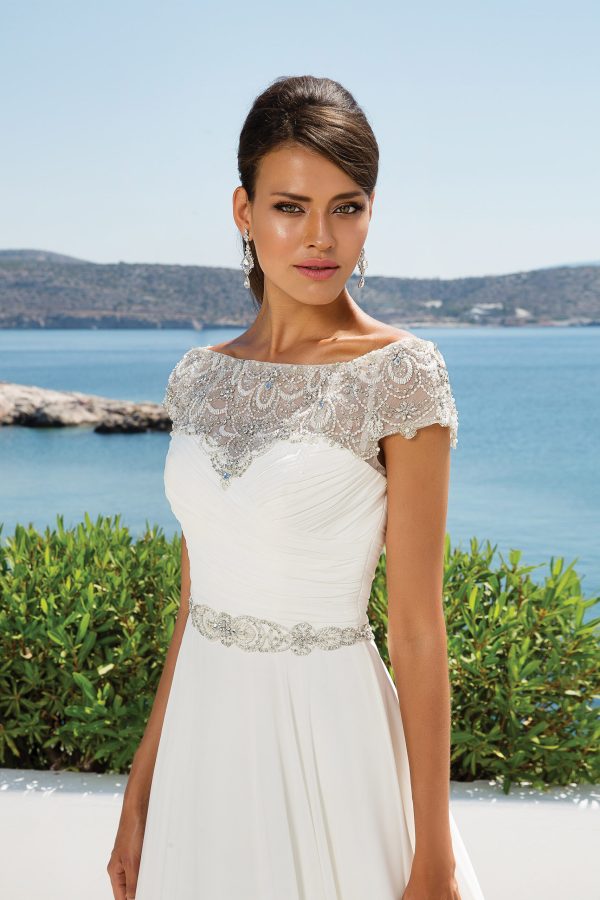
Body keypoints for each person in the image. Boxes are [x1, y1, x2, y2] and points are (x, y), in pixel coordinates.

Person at [107, 74, 486, 900]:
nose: (321, 238)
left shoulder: (400, 375)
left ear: (369, 212)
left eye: (346, 207)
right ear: (244, 211)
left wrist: (436, 857)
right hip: (203, 750)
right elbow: (193, 602)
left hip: (329, 743)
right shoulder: (199, 379)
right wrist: (140, 791)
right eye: (290, 207)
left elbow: (419, 632)